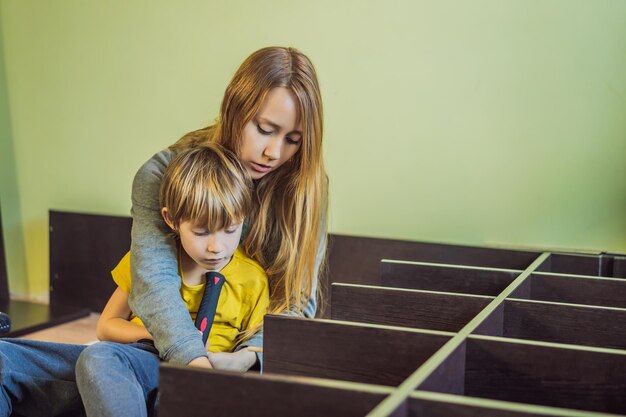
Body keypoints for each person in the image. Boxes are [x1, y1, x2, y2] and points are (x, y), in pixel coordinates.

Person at [128, 46, 328, 371]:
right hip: (172, 353)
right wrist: (197, 364)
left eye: (293, 139)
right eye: (264, 129)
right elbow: (154, 284)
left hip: (253, 358)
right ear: (234, 109)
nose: (274, 152)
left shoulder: (306, 187)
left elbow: (297, 300)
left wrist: (249, 357)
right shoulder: (160, 175)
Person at [76, 143, 268, 417]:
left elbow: (261, 345)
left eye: (230, 230)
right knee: (96, 358)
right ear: (171, 220)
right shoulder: (147, 262)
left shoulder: (252, 279)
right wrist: (159, 337)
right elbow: (106, 327)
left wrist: (232, 362)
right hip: (145, 360)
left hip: (207, 382)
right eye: (201, 232)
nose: (217, 247)